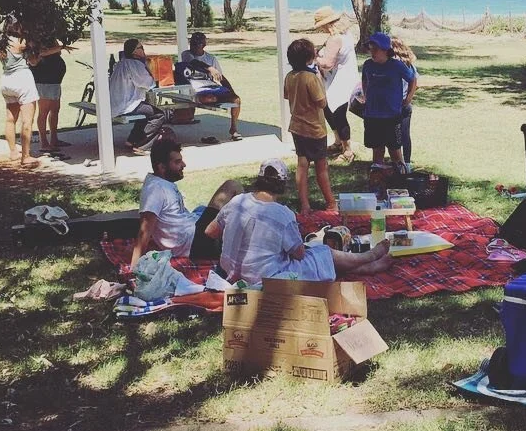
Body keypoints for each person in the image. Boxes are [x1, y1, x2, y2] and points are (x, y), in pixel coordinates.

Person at [204, 159, 393, 285]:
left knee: (315, 255)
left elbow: (210, 232)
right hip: (265, 278)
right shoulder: (282, 214)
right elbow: (299, 254)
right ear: (283, 185)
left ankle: (368, 265)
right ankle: (366, 259)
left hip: (230, 271)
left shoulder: (237, 202)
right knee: (321, 253)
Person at [129, 133, 243, 268]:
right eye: (177, 162)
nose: (184, 165)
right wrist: (133, 268)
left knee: (204, 209)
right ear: (162, 167)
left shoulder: (161, 182)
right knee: (231, 186)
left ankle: (240, 234)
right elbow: (144, 231)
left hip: (195, 233)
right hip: (196, 242)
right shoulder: (155, 190)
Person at [284, 38, 336, 217]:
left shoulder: (290, 76)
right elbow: (321, 102)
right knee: (321, 167)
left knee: (302, 164)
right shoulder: (310, 77)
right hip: (315, 129)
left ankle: (304, 205)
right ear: (309, 57)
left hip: (297, 127)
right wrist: (319, 80)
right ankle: (331, 203)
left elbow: (286, 95)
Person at [360, 32, 417, 172]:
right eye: (370, 48)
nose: (372, 52)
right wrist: (366, 96)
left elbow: (412, 79)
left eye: (375, 49)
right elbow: (364, 81)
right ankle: (378, 180)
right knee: (377, 149)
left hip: (391, 115)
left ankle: (401, 177)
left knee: (395, 151)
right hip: (372, 115)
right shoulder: (368, 65)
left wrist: (408, 97)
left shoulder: (396, 66)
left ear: (385, 50)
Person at [313, 6, 360, 164]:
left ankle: (347, 150)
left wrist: (313, 58)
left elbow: (327, 64)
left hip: (339, 83)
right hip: (342, 79)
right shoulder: (345, 35)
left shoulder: (335, 39)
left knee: (339, 115)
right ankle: (338, 141)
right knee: (328, 110)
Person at [180, 31, 243, 141]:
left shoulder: (211, 58)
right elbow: (194, 62)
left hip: (212, 88)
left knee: (236, 100)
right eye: (192, 43)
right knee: (208, 98)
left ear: (203, 45)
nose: (193, 46)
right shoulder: (186, 54)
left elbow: (221, 77)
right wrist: (210, 68)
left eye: (196, 43)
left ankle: (233, 128)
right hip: (197, 90)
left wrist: (230, 91)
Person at [109, 38, 168, 152]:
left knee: (146, 110)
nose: (143, 50)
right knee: (159, 115)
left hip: (116, 102)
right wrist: (149, 69)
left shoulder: (121, 63)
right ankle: (142, 145)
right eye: (140, 48)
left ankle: (131, 140)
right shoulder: (135, 64)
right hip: (125, 104)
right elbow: (148, 84)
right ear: (134, 52)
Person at [0, 23, 39, 168]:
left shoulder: (2, 42)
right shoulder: (21, 42)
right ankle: (26, 156)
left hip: (6, 80)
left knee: (10, 119)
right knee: (27, 121)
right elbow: (34, 61)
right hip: (22, 79)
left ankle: (13, 152)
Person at [30, 39, 71, 153]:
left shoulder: (50, 38)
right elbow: (40, 54)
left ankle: (54, 139)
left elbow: (57, 52)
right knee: (44, 112)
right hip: (45, 81)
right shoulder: (35, 40)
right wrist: (59, 48)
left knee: (55, 109)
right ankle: (44, 142)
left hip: (55, 81)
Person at [388, 36, 418, 166]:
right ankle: (406, 161)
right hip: (405, 104)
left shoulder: (393, 65)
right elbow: (416, 82)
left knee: (392, 135)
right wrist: (408, 98)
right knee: (405, 134)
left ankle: (398, 160)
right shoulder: (409, 65)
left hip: (393, 105)